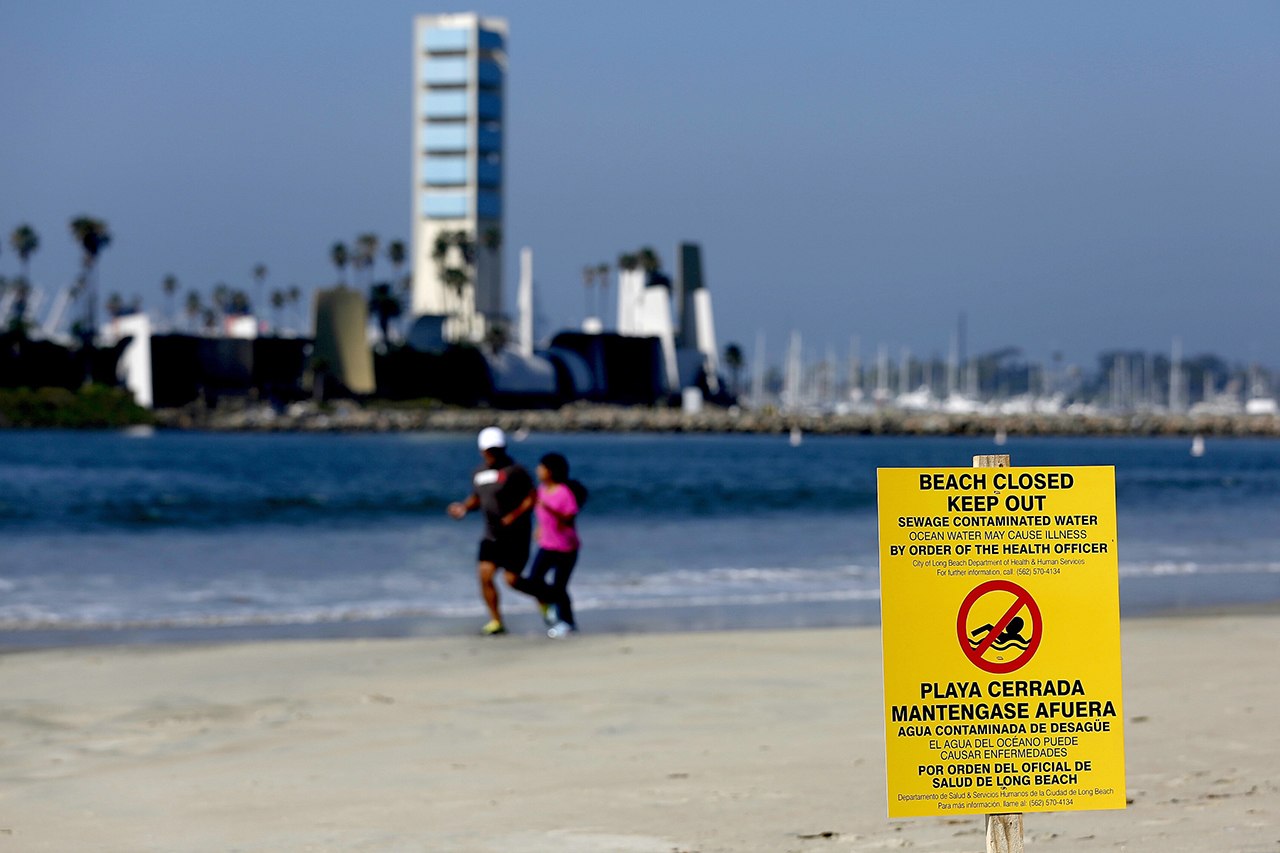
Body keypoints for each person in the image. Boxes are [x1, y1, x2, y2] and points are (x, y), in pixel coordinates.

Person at [447, 426, 537, 635]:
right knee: (485, 575)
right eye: (489, 450)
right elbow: (477, 497)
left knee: (512, 580)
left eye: (496, 450)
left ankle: (545, 596)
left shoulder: (516, 471)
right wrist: (463, 507)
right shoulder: (478, 473)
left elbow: (532, 497)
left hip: (516, 536)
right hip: (491, 534)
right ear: (482, 451)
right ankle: (496, 621)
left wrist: (514, 515)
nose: (492, 454)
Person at [509, 452, 581, 639]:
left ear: (550, 471)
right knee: (534, 580)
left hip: (566, 547)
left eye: (541, 468)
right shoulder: (541, 490)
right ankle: (552, 608)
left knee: (560, 586)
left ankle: (567, 623)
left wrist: (550, 509)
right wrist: (539, 528)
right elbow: (539, 514)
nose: (538, 470)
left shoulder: (564, 492)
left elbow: (569, 518)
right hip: (547, 545)